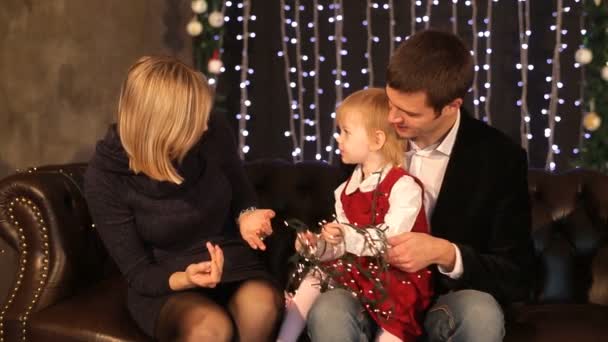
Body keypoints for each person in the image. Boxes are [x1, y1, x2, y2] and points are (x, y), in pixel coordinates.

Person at [307, 30, 535, 342]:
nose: (391, 118)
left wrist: (445, 253)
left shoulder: (498, 158)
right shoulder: (371, 131)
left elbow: (518, 275)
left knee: (481, 312)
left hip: (444, 299)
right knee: (329, 308)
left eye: (409, 113)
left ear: (452, 106)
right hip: (368, 292)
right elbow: (338, 216)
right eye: (390, 103)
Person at [84, 56, 282, 342]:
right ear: (165, 125)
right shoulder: (106, 177)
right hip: (168, 278)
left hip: (231, 261)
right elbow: (139, 273)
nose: (205, 127)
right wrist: (186, 278)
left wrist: (247, 214)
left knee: (261, 306)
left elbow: (241, 192)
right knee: (209, 329)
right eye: (195, 120)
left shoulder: (213, 131)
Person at [278, 88, 433, 342]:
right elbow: (341, 248)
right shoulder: (345, 190)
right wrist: (319, 246)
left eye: (346, 132)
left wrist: (346, 235)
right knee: (316, 275)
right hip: (360, 271)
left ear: (376, 140)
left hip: (395, 279)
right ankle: (284, 338)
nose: (338, 139)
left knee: (394, 332)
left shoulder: (403, 186)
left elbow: (391, 238)